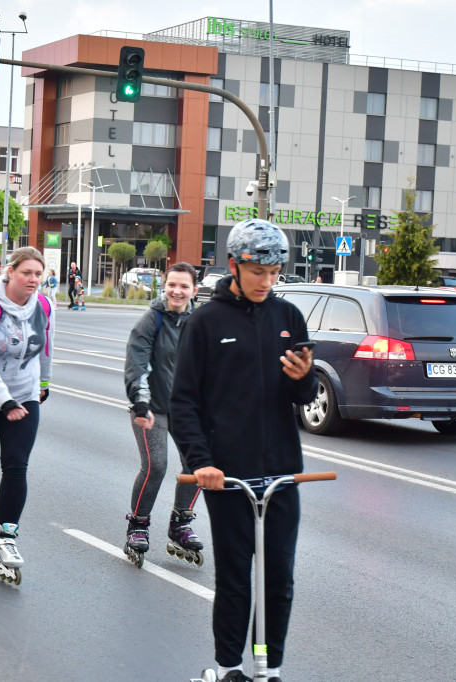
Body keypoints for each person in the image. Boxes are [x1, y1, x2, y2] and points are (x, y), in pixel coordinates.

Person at [170, 219, 316, 682]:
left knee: (279, 580)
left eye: (275, 273)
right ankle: (229, 667)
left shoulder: (288, 317)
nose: (267, 282)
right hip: (227, 476)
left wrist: (304, 381)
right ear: (235, 265)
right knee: (235, 579)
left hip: (281, 475)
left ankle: (270, 669)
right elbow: (183, 402)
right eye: (258, 272)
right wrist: (202, 462)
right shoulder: (206, 322)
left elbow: (304, 396)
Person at [0, 246, 54, 584]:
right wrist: (2, 400)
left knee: (16, 465)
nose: (33, 279)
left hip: (23, 395)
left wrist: (44, 383)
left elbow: (46, 344)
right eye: (26, 273)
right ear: (9, 273)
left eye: (37, 274)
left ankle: (6, 539)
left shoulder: (44, 304)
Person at [123, 262, 201, 567]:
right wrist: (141, 403)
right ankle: (138, 525)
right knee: (156, 466)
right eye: (172, 284)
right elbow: (137, 364)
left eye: (184, 286)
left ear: (194, 290)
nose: (177, 291)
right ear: (164, 286)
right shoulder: (150, 320)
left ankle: (180, 523)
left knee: (196, 465)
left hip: (187, 410)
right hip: (151, 407)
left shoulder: (200, 322)